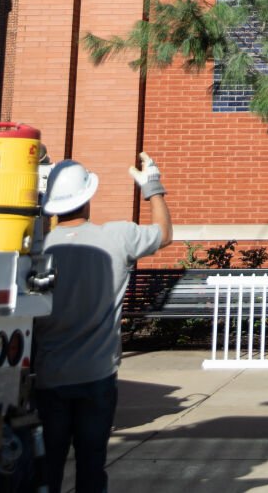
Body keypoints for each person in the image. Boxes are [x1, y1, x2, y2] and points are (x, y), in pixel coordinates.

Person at [32, 151, 172, 493]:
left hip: (50, 377)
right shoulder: (118, 237)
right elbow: (164, 234)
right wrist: (152, 187)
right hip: (97, 376)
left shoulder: (38, 251)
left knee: (46, 468)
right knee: (91, 466)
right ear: (88, 198)